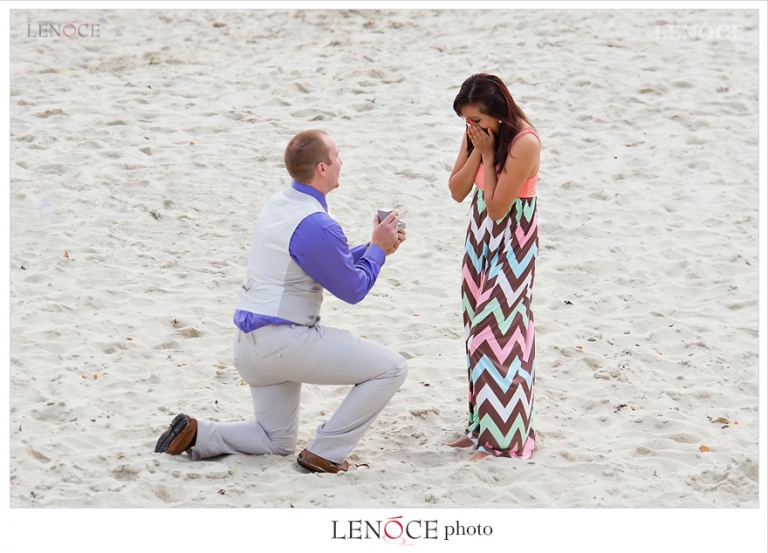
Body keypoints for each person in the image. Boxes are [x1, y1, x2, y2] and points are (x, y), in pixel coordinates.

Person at [155, 129, 408, 473]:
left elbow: (321, 262)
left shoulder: (279, 204)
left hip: (248, 346)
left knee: (276, 441)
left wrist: (375, 248)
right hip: (284, 344)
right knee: (392, 368)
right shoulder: (318, 224)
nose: (341, 161)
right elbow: (353, 289)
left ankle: (200, 435)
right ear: (322, 168)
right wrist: (377, 249)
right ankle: (325, 452)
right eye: (336, 155)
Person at [447, 74, 541, 461]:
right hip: (480, 235)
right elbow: (457, 191)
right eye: (466, 120)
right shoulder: (476, 133)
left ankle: (505, 439)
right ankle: (481, 428)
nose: (471, 126)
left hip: (513, 237)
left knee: (497, 332)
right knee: (475, 328)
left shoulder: (525, 143)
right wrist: (476, 149)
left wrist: (487, 156)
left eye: (476, 119)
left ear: (498, 113)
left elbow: (499, 207)